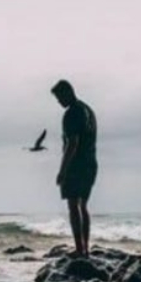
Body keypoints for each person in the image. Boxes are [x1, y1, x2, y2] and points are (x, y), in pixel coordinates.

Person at [51, 80, 98, 257]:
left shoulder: (71, 113)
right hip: (91, 163)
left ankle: (80, 249)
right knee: (83, 206)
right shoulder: (88, 110)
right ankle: (85, 248)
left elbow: (72, 143)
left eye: (59, 97)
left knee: (73, 206)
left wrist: (63, 170)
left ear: (68, 92)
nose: (59, 102)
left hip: (76, 164)